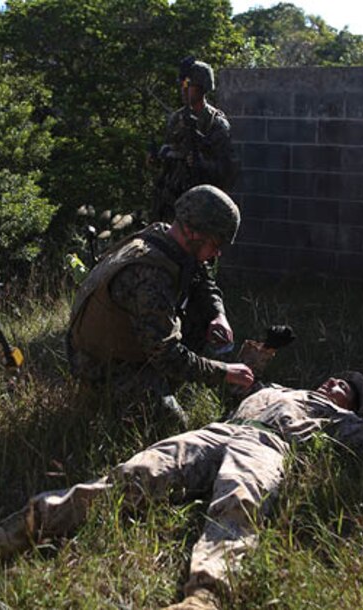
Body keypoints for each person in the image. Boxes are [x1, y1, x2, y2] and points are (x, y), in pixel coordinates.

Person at [0, 372, 363, 610]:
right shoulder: (276, 388)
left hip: (269, 446)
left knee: (238, 502)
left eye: (348, 387)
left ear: (352, 403)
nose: (337, 383)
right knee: (138, 472)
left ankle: (205, 596)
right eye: (336, 378)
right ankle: (22, 528)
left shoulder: (340, 417)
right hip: (219, 429)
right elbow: (229, 377)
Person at [67, 185, 255, 426]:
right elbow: (167, 356)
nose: (217, 253)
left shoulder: (168, 239)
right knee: (174, 426)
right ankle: (101, 400)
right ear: (191, 231)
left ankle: (169, 381)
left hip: (131, 345)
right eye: (215, 244)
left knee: (199, 314)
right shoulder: (150, 275)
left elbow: (202, 280)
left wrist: (218, 315)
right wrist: (224, 373)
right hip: (101, 365)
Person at [152, 57, 238, 223]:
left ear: (202, 87)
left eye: (189, 85)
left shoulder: (216, 124)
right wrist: (158, 157)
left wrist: (201, 163)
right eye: (182, 85)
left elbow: (228, 170)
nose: (183, 90)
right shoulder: (177, 119)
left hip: (198, 206)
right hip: (170, 203)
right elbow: (168, 155)